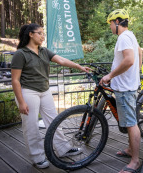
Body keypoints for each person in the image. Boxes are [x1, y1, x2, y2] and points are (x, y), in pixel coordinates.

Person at [11, 23, 91, 169]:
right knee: (31, 125)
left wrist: (80, 67)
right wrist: (21, 102)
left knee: (54, 120)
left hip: (45, 91)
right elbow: (15, 80)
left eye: (43, 33)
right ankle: (37, 157)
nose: (42, 36)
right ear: (30, 34)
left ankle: (62, 148)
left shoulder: (43, 51)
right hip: (28, 92)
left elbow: (61, 60)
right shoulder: (20, 54)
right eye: (40, 33)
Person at [100, 9, 142, 173]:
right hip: (128, 85)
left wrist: (110, 75)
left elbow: (129, 60)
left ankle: (135, 161)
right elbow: (138, 53)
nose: (110, 27)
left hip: (125, 88)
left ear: (117, 22)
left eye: (110, 23)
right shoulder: (130, 35)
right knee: (130, 121)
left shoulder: (123, 37)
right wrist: (136, 76)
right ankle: (131, 150)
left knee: (131, 124)